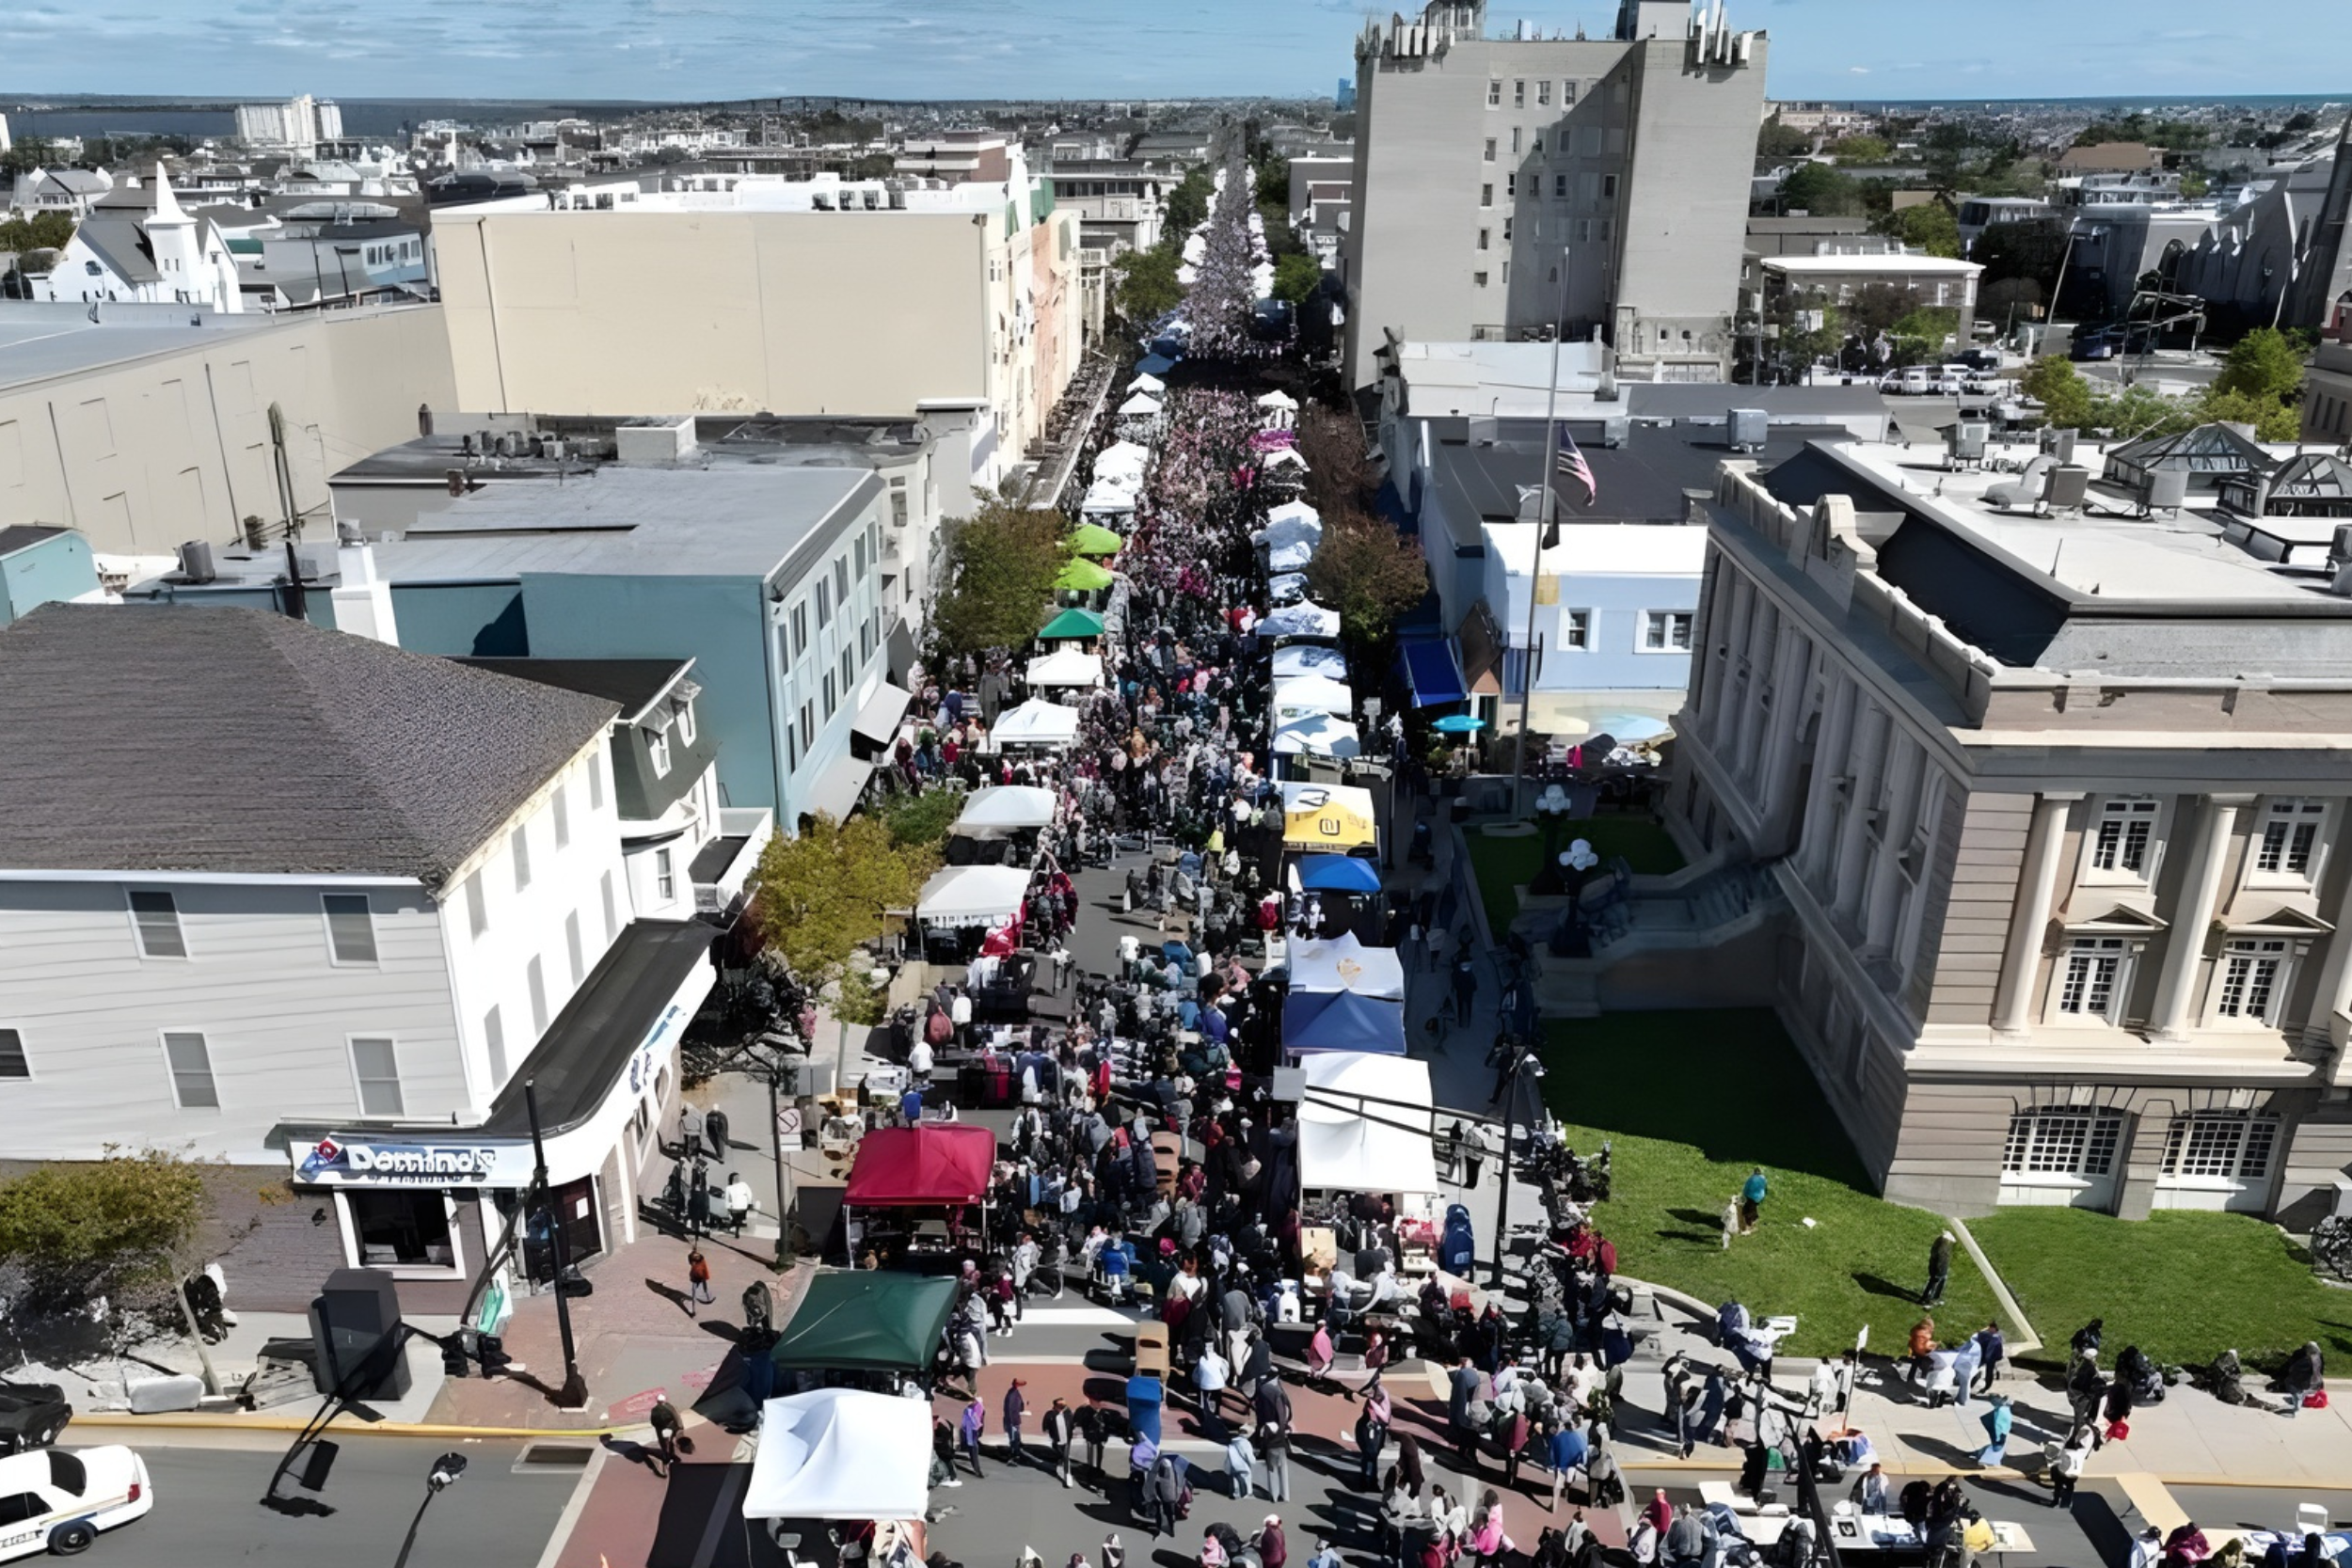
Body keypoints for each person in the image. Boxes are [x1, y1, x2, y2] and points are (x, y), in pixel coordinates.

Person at [1547, 1418, 1588, 1513]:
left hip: (1560, 1464)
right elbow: (1583, 1449)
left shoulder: (1558, 1437)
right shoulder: (1578, 1437)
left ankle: (1554, 1505)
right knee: (1569, 1480)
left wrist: (1552, 1463)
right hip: (1572, 1464)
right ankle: (1566, 1491)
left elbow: (1553, 1450)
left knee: (1557, 1484)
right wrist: (1580, 1460)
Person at [648, 1400, 692, 1472]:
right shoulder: (659, 1410)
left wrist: (679, 1427)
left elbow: (676, 1417)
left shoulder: (665, 1408)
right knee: (666, 1441)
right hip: (664, 1425)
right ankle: (667, 1455)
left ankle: (668, 1455)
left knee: (668, 1440)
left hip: (667, 1425)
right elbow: (676, 1416)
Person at [1046, 1397, 1076, 1488]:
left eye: (1064, 1404)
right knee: (1060, 1456)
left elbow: (1072, 1424)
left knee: (1066, 1457)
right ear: (1055, 1406)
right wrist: (1052, 1436)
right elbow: (1046, 1426)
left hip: (1067, 1439)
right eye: (1060, 1405)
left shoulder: (1068, 1413)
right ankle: (1059, 1466)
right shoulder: (1050, 1415)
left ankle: (1067, 1476)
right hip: (1057, 1440)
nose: (1063, 1406)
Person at [1976, 1394, 2013, 1467]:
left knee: (1996, 1448)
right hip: (1999, 1435)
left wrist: (1999, 1437)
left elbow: (2000, 1426)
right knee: (1996, 1448)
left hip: (1999, 1436)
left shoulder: (2002, 1411)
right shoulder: (2002, 1410)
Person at [1076, 1401, 1108, 1484]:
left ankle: (1097, 1470)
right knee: (1092, 1455)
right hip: (1092, 1438)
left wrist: (1105, 1437)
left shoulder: (1103, 1412)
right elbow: (1084, 1424)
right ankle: (1091, 1473)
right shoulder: (1087, 1411)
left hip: (1100, 1438)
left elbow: (1106, 1426)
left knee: (1099, 1455)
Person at [1924, 1231, 1955, 1307]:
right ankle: (1929, 1300)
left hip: (1937, 1269)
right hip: (1939, 1270)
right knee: (1934, 1284)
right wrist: (1940, 1272)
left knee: (1933, 1283)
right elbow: (1941, 1262)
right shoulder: (1941, 1250)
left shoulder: (1938, 1247)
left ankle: (1930, 1297)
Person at [1974, 1322, 2005, 1395]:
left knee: (1988, 1372)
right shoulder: (1992, 1336)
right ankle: (1985, 1386)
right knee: (1987, 1372)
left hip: (1989, 1358)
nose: (1989, 1330)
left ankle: (1986, 1387)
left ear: (1994, 1329)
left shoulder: (1995, 1338)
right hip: (1988, 1357)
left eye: (1991, 1328)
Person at [1003, 1378, 1029, 1465]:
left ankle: (1016, 1455)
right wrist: (1011, 1422)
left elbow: (1018, 1406)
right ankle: (1014, 1457)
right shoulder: (1013, 1394)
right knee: (1014, 1440)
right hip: (1013, 1421)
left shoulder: (1013, 1393)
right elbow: (1010, 1409)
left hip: (1014, 1420)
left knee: (1015, 1439)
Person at [1226, 1428, 1258, 1499]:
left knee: (1235, 1479)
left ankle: (1236, 1493)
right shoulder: (1245, 1442)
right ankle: (1248, 1493)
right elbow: (1248, 1454)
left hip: (1233, 1464)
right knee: (1247, 1478)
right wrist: (1253, 1461)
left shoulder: (1232, 1442)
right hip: (1243, 1464)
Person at [959, 1395, 986, 1478]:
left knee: (973, 1450)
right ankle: (977, 1470)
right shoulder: (974, 1409)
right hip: (972, 1432)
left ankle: (977, 1469)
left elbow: (967, 1422)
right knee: (973, 1450)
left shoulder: (972, 1409)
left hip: (971, 1431)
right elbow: (977, 1421)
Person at [686, 1244, 714, 1315]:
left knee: (703, 1289)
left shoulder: (700, 1260)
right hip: (696, 1277)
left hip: (700, 1277)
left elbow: (704, 1269)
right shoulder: (694, 1259)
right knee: (695, 1292)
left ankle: (707, 1299)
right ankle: (694, 1309)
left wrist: (705, 1276)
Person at [1739, 1168, 1768, 1233]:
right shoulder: (1763, 1178)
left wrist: (1744, 1195)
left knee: (1748, 1210)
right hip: (1760, 1197)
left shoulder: (1751, 1179)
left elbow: (1746, 1188)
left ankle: (1749, 1225)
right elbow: (1765, 1187)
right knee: (1753, 1207)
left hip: (1751, 1196)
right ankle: (1754, 1217)